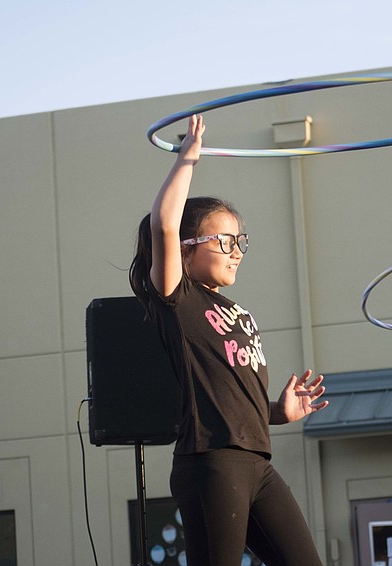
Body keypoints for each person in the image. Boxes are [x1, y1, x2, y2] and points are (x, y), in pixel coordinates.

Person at [130, 114, 328, 565]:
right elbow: (164, 222)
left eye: (240, 242)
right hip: (212, 462)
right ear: (186, 247)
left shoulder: (234, 310)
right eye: (223, 241)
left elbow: (229, 395)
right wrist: (188, 159)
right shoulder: (179, 299)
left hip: (257, 461)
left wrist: (277, 412)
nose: (236, 252)